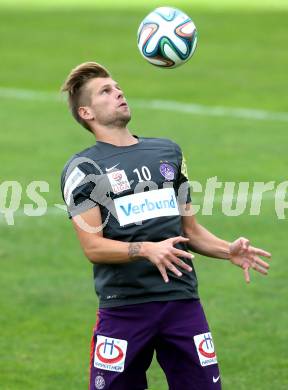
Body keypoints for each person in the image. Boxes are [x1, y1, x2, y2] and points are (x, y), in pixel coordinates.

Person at [60, 62, 271, 390]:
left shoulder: (168, 152)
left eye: (117, 87)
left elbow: (190, 230)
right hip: (124, 309)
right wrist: (146, 249)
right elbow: (93, 247)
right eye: (106, 91)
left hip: (182, 303)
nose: (118, 92)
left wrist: (226, 249)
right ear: (86, 112)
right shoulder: (83, 169)